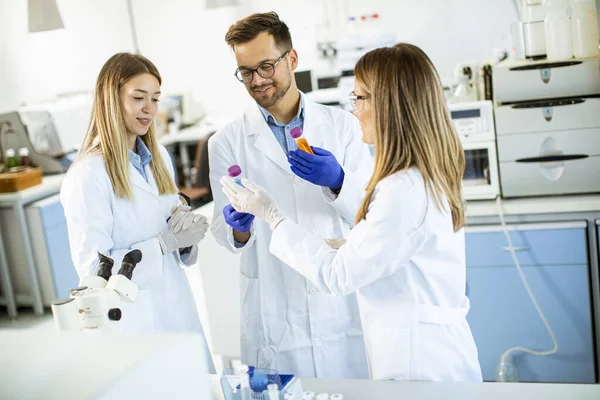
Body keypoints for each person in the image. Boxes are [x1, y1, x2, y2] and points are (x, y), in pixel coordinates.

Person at [220, 43, 483, 382]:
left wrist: (273, 216)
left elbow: (338, 276)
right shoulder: (423, 174)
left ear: (388, 104)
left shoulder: (402, 189)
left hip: (420, 363)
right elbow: (390, 246)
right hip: (429, 353)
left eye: (360, 98)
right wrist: (339, 244)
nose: (355, 109)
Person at [208, 12, 373, 378]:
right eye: (246, 72)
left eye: (266, 66)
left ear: (292, 59)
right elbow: (224, 230)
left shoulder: (344, 126)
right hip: (274, 303)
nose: (258, 80)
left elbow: (368, 214)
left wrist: (339, 182)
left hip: (337, 300)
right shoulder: (226, 143)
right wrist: (239, 228)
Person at [61, 52, 215, 373]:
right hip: (133, 321)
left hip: (176, 307)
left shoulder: (158, 157)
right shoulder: (88, 175)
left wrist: (184, 240)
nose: (150, 109)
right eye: (138, 98)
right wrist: (163, 244)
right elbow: (93, 271)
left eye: (155, 99)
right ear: (111, 99)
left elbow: (173, 241)